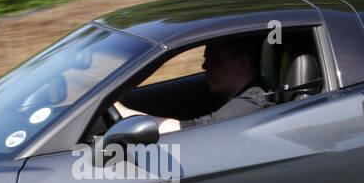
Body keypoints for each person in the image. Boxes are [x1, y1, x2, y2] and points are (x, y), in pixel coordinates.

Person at [114, 35, 272, 133]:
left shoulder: (251, 104)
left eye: (215, 59)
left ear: (242, 64)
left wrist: (120, 110)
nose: (205, 66)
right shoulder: (237, 98)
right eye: (205, 58)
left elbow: (183, 131)